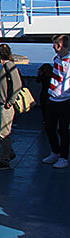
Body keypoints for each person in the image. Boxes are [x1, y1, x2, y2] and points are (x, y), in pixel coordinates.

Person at [42, 34, 70, 169]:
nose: (53, 47)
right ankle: (55, 152)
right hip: (52, 99)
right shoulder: (57, 59)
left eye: (54, 45)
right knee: (49, 127)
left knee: (64, 130)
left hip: (65, 101)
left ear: (60, 45)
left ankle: (64, 157)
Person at [0, 43, 21, 170]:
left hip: (6, 106)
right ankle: (9, 153)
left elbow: (17, 83)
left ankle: (5, 161)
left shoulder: (9, 65)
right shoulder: (5, 66)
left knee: (4, 133)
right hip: (1, 104)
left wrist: (11, 101)